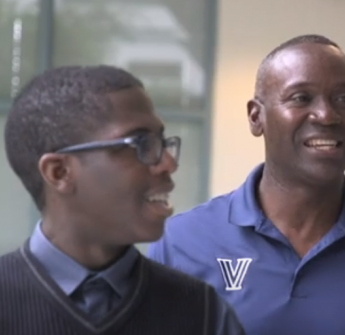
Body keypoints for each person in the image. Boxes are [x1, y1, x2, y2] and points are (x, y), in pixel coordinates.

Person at [0, 65, 245, 335]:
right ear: (59, 172)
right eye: (140, 143)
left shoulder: (204, 313)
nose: (168, 163)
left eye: (161, 142)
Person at [148, 34, 345, 335]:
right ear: (256, 117)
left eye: (342, 99)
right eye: (301, 98)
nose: (327, 115)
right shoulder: (181, 244)